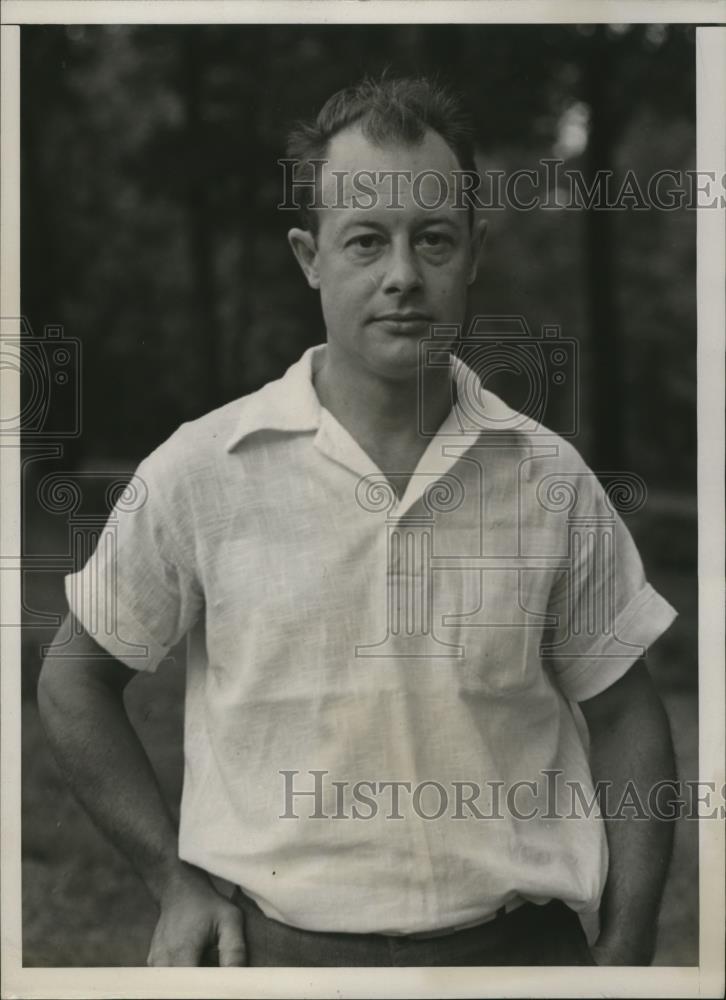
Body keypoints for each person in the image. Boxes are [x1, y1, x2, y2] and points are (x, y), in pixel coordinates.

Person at [38, 76, 678, 968]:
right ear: (310, 255)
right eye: (366, 241)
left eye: (435, 240)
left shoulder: (549, 479)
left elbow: (626, 715)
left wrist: (630, 941)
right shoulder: (202, 468)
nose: (403, 276)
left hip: (518, 956)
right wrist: (170, 881)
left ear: (475, 252)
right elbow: (74, 678)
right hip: (272, 959)